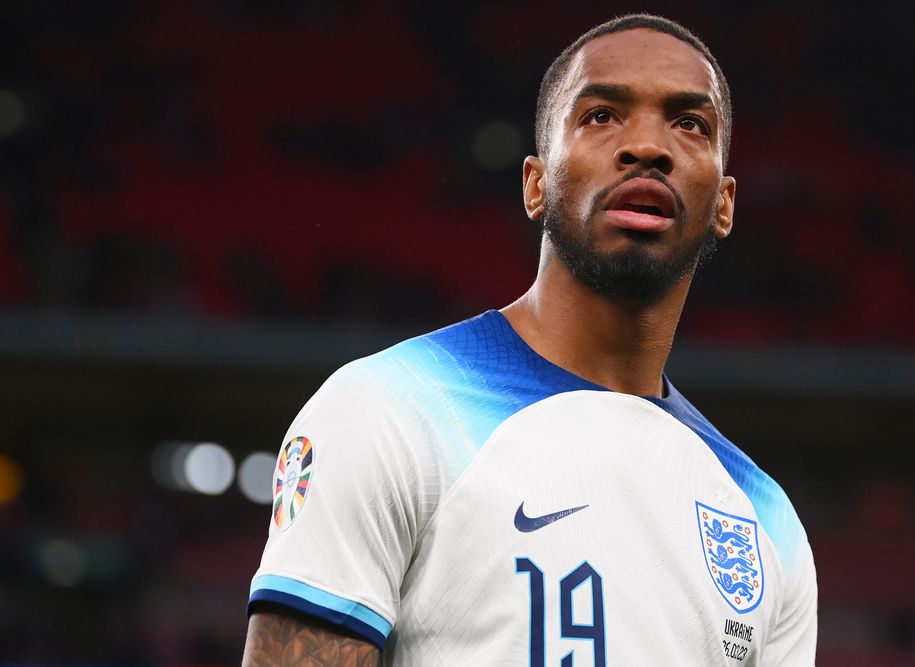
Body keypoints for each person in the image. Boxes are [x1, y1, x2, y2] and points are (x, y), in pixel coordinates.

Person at [242, 13, 817, 666]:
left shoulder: (769, 524)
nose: (648, 147)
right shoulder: (387, 410)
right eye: (601, 115)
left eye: (689, 123)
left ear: (725, 204)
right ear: (536, 184)